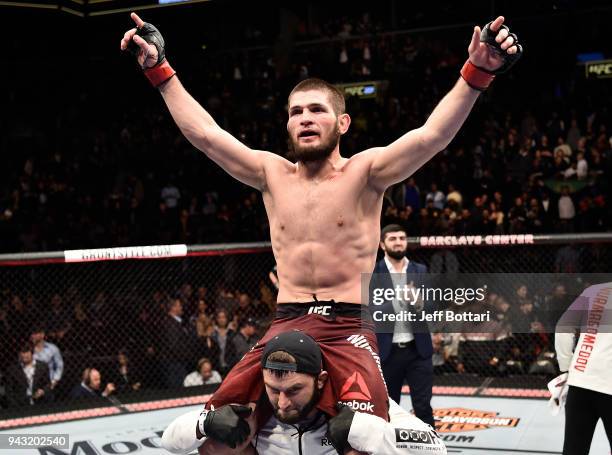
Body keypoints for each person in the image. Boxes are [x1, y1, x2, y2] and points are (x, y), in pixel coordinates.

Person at [120, 12, 521, 452]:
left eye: (317, 110)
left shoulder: (366, 172)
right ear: (287, 125)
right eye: (296, 112)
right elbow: (207, 136)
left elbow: (431, 137)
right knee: (221, 432)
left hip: (347, 325)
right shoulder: (270, 173)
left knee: (358, 438)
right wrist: (160, 70)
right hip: (285, 321)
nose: (305, 118)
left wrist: (477, 72)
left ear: (342, 123)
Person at [162, 330, 446, 454]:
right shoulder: (255, 408)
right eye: (274, 390)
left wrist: (363, 428)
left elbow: (435, 448)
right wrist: (204, 423)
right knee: (215, 444)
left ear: (320, 380)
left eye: (294, 390)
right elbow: (170, 442)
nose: (282, 403)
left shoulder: (353, 403)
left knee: (365, 449)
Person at [370, 224, 434, 427]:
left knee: (423, 406)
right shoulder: (373, 272)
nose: (398, 242)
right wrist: (399, 300)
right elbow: (372, 312)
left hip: (418, 351)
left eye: (402, 238)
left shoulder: (420, 270)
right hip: (388, 353)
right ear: (382, 244)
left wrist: (419, 302)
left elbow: (433, 307)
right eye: (393, 238)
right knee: (388, 408)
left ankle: (432, 449)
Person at [555, 282, 612, 454]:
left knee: (574, 449)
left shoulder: (595, 291)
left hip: (580, 382)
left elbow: (562, 329)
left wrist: (567, 369)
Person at [5, 342, 51, 407]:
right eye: (21, 352)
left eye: (26, 352)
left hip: (41, 403)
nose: (23, 355)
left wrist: (42, 391)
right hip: (19, 405)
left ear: (32, 353)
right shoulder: (12, 370)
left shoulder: (43, 367)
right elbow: (9, 391)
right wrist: (15, 406)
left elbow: (48, 383)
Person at [30, 325, 64, 390]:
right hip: (31, 384)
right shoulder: (28, 350)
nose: (32, 336)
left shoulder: (52, 348)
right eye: (31, 334)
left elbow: (60, 366)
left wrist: (54, 381)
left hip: (48, 384)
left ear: (42, 334)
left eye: (35, 333)